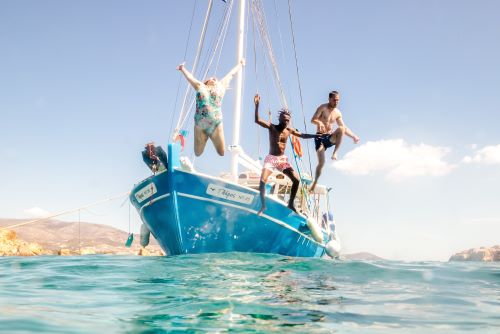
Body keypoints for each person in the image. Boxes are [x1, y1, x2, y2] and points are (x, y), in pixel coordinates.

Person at [254, 94, 318, 215]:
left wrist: (315, 136)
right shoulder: (272, 127)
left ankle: (290, 203)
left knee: (296, 180)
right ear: (280, 119)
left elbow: (302, 136)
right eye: (284, 120)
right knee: (262, 181)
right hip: (271, 159)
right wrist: (257, 105)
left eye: (288, 120)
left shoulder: (289, 130)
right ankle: (263, 206)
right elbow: (257, 120)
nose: (286, 122)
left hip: (282, 160)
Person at [177, 59, 245, 156]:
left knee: (221, 152)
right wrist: (182, 68)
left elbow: (231, 74)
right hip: (200, 124)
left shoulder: (221, 86)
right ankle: (206, 137)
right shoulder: (200, 86)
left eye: (215, 79)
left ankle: (210, 136)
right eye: (211, 79)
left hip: (216, 124)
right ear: (206, 82)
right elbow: (190, 77)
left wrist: (240, 65)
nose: (213, 79)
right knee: (198, 153)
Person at [309, 91, 360, 191]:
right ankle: (315, 183)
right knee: (321, 163)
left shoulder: (338, 113)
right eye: (334, 100)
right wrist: (319, 122)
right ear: (329, 99)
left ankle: (335, 153)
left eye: (338, 100)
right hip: (320, 137)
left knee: (341, 129)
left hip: (329, 137)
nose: (336, 102)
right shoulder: (322, 108)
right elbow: (313, 120)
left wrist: (353, 136)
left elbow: (344, 127)